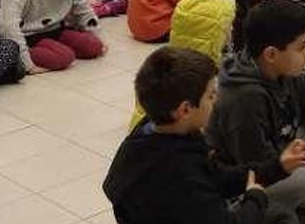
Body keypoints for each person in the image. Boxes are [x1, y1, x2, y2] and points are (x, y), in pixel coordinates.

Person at [205, 0, 305, 224]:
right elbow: (258, 164)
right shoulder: (244, 98)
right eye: (302, 47)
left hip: (284, 143)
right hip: (250, 178)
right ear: (271, 54)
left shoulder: (285, 69)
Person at [102, 47, 274, 224]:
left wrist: (276, 167)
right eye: (210, 96)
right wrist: (255, 197)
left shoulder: (146, 133)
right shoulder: (180, 175)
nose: (216, 100)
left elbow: (213, 175)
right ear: (185, 110)